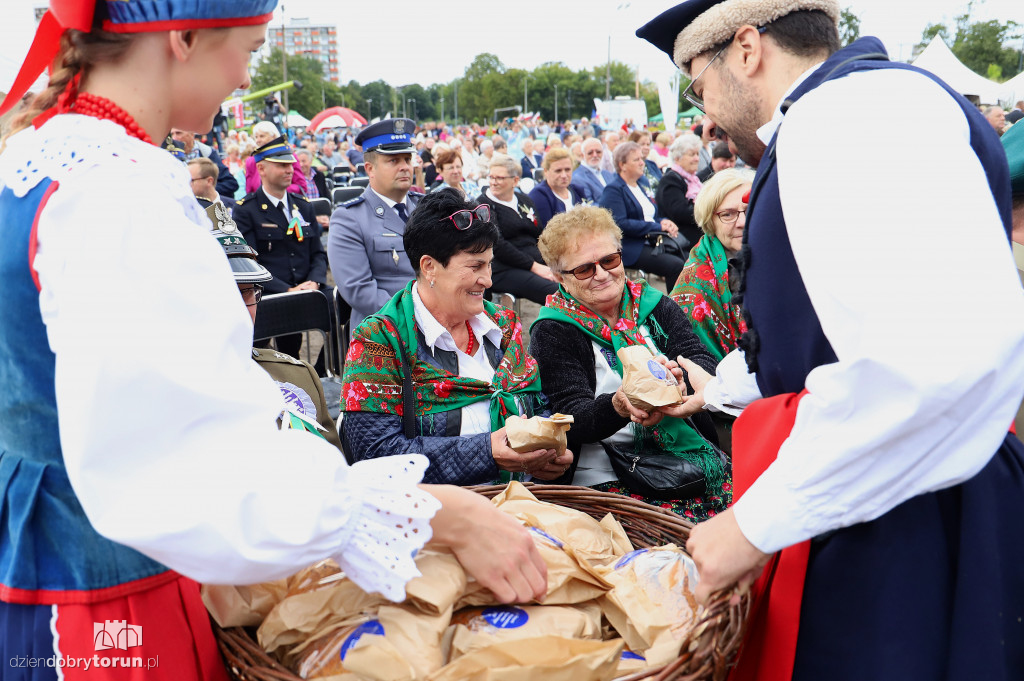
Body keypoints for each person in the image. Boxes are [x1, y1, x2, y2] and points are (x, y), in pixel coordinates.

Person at [0, 2, 546, 679]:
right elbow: (176, 465)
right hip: (104, 603)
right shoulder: (114, 196)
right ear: (184, 35)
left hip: (50, 567)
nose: (243, 76)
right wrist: (434, 511)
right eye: (251, 49)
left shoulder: (38, 163)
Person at [637, 2, 1024, 681]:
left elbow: (931, 360)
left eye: (701, 86)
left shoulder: (850, 117)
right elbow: (821, 329)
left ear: (748, 48)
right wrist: (719, 388)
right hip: (885, 491)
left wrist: (755, 522)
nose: (706, 117)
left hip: (907, 514)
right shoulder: (843, 113)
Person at [341, 188, 573, 484]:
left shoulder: (500, 324)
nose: (488, 279)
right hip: (437, 517)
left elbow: (536, 403)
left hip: (520, 503)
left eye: (489, 264)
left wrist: (549, 450)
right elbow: (374, 454)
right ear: (429, 267)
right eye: (475, 266)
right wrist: (486, 453)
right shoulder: (380, 340)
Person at [529, 205, 728, 520]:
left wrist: (682, 378)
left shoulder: (655, 305)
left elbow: (700, 359)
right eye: (584, 269)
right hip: (609, 473)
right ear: (559, 277)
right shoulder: (554, 329)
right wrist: (620, 406)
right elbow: (568, 418)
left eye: (609, 260)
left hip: (689, 459)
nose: (602, 274)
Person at [206, 216, 344, 454]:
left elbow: (335, 473)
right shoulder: (165, 399)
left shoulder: (299, 378)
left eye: (248, 292)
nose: (239, 308)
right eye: (226, 292)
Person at [233, 136, 329, 366]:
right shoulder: (247, 210)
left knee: (344, 313)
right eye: (282, 165)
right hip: (271, 293)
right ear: (262, 168)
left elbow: (317, 253)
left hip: (307, 289)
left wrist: (314, 282)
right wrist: (287, 289)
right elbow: (249, 263)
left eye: (290, 164)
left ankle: (322, 372)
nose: (290, 169)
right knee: (281, 349)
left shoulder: (302, 205)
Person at [329, 118, 423, 334]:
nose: (404, 167)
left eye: (407, 159)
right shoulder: (349, 218)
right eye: (393, 161)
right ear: (370, 169)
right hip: (385, 332)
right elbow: (359, 290)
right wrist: (418, 316)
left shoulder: (424, 207)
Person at [670, 168, 753, 359]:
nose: (742, 222)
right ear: (710, 220)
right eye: (728, 214)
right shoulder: (696, 286)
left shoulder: (773, 252)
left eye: (750, 210)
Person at [598, 141, 686, 286]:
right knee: (675, 265)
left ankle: (691, 304)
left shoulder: (640, 185)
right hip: (630, 246)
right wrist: (657, 227)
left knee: (688, 258)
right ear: (622, 165)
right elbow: (619, 224)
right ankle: (676, 306)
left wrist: (663, 221)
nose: (642, 163)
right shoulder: (614, 190)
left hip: (651, 240)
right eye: (636, 159)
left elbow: (651, 215)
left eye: (642, 159)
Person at [477, 154, 559, 304]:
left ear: (515, 180)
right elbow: (497, 244)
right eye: (491, 177)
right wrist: (535, 267)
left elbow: (539, 233)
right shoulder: (484, 205)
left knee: (575, 280)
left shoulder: (524, 200)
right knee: (557, 291)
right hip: (503, 268)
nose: (493, 182)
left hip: (535, 260)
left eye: (500, 178)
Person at [655, 134, 705, 252]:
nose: (697, 158)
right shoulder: (670, 180)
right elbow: (680, 212)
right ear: (677, 158)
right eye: (692, 154)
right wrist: (708, 209)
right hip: (683, 235)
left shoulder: (692, 179)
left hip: (695, 229)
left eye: (697, 154)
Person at [171, 127, 239, 197]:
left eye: (178, 133)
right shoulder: (168, 157)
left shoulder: (207, 153)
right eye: (172, 134)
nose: (174, 138)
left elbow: (231, 183)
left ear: (192, 134)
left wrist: (205, 190)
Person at [529, 148, 586, 229]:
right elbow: (547, 231)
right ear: (546, 171)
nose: (564, 175)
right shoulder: (539, 196)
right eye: (558, 171)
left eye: (567, 170)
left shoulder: (577, 191)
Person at [244, 120, 306, 195]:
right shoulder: (251, 161)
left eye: (262, 136)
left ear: (274, 136)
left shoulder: (290, 156)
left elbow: (301, 186)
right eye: (256, 137)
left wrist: (276, 190)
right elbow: (249, 190)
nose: (258, 140)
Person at [571, 137, 617, 202]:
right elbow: (589, 206)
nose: (595, 155)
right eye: (590, 153)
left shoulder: (607, 174)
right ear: (582, 155)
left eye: (598, 152)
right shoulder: (577, 178)